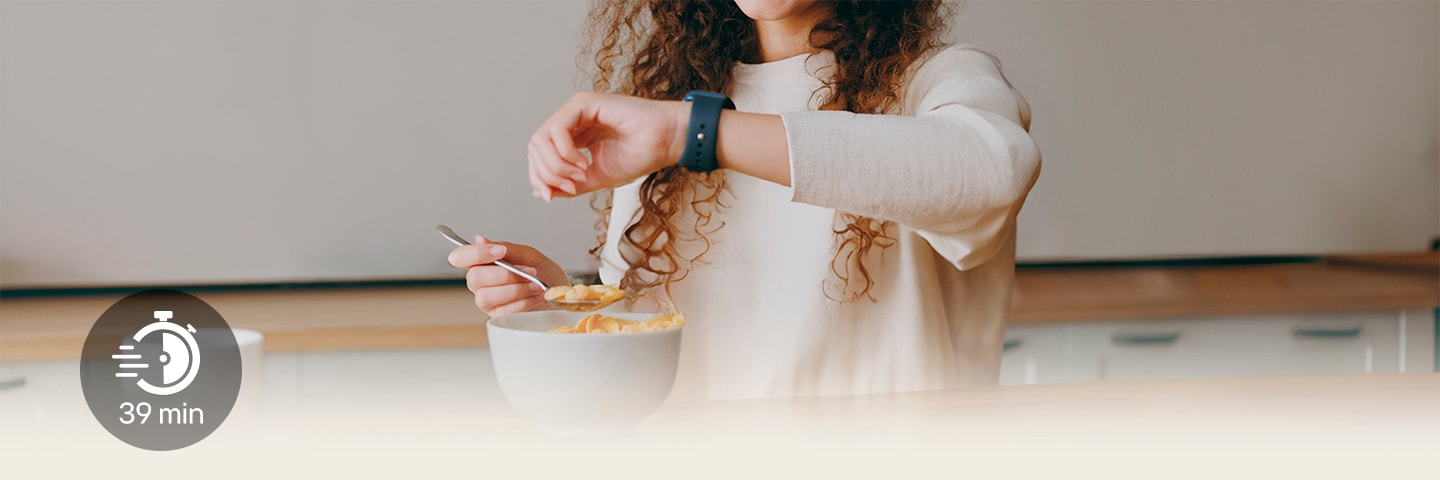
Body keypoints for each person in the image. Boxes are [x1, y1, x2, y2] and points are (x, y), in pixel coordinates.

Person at [449, 0, 1040, 400]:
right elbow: (658, 354)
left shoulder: (939, 81)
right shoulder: (669, 105)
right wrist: (566, 310)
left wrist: (693, 134)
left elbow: (990, 169)